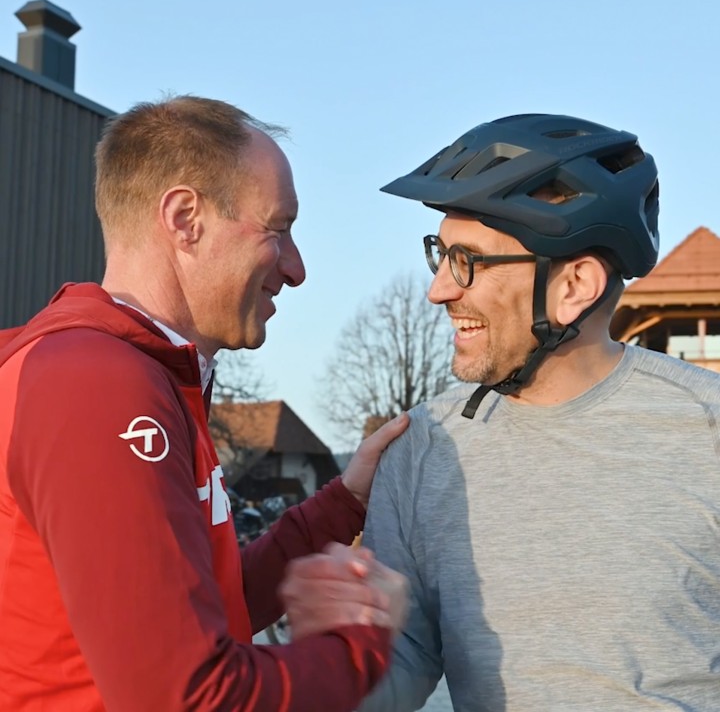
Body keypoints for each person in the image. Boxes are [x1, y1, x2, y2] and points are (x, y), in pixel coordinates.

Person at [0, 95, 408, 712]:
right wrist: (361, 641)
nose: (296, 270)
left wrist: (342, 504)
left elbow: (199, 607)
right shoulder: (98, 385)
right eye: (278, 228)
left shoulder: (146, 373)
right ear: (186, 218)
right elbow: (186, 696)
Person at [358, 113, 720, 711]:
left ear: (574, 285)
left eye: (467, 261)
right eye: (439, 255)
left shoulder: (706, 431)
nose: (440, 290)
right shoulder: (421, 449)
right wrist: (312, 668)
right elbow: (403, 659)